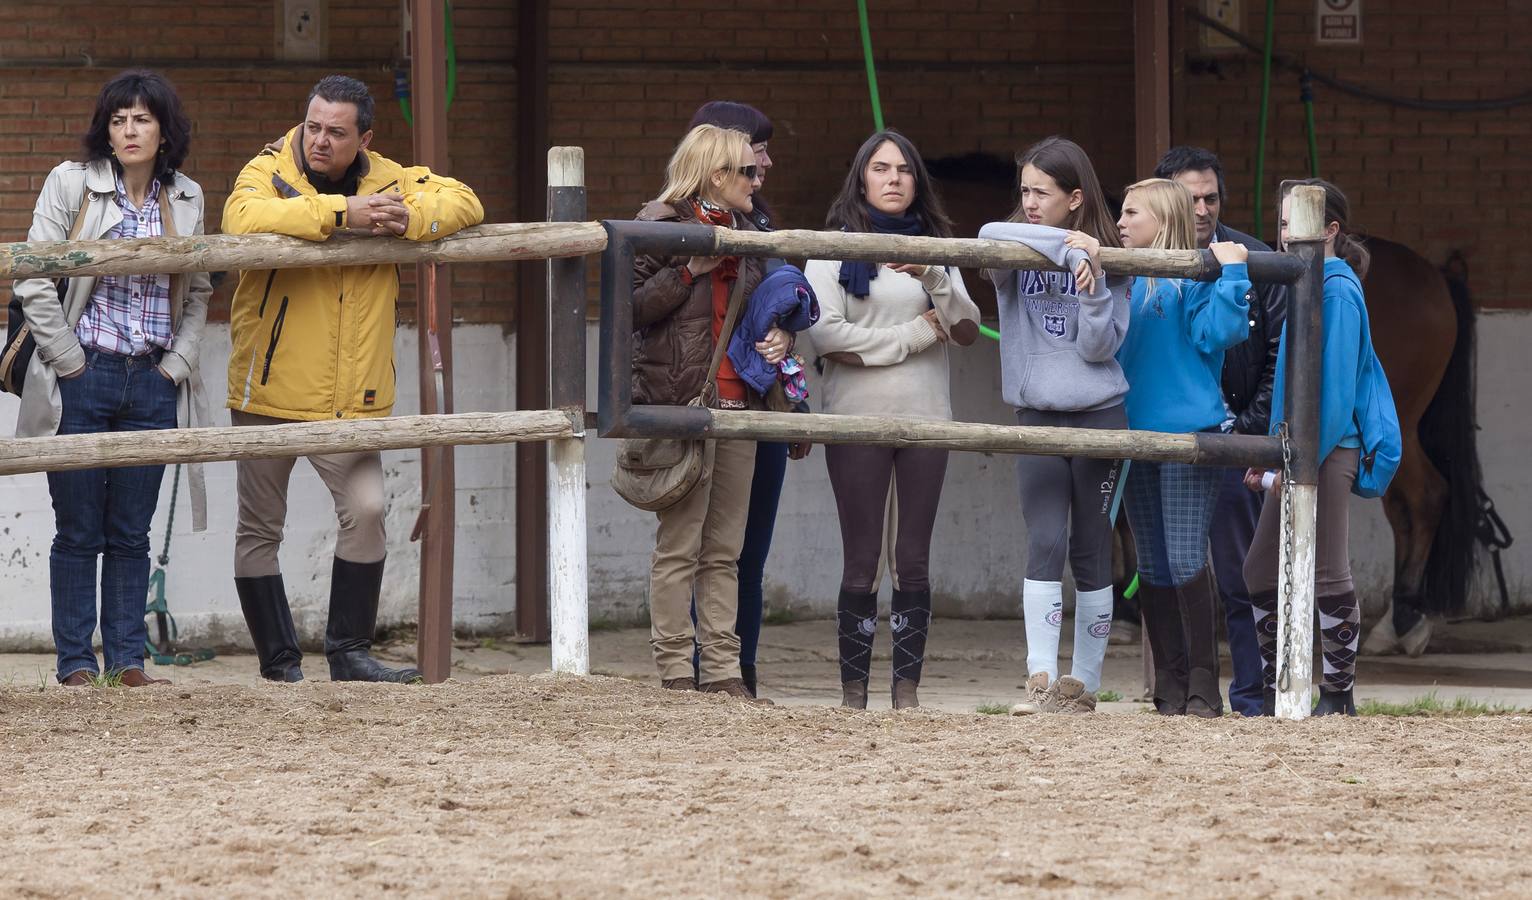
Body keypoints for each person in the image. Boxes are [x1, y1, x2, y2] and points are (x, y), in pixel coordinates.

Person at [223, 75, 483, 683]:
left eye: (335, 132)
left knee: (367, 511)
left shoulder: (392, 179)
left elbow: (466, 200)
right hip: (266, 391)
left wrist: (405, 219)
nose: (319, 140)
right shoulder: (266, 169)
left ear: (364, 137)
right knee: (260, 528)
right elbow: (240, 219)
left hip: (354, 399)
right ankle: (280, 664)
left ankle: (349, 653)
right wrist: (345, 212)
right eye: (312, 126)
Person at [13, 70, 212, 688]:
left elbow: (200, 288)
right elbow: (31, 275)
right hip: (84, 374)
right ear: (107, 127)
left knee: (130, 531)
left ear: (163, 130)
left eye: (143, 118)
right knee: (78, 528)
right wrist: (69, 360)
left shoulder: (186, 197)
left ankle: (128, 661)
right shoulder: (71, 183)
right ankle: (76, 663)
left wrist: (175, 365)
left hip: (151, 379)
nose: (130, 130)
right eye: (119, 118)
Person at [805, 130, 980, 710]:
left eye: (904, 170)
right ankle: (853, 693)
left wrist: (935, 280)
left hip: (928, 418)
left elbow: (966, 330)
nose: (894, 179)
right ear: (861, 178)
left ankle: (907, 692)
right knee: (861, 559)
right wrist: (912, 334)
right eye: (881, 169)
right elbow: (827, 337)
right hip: (855, 419)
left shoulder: (938, 248)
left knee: (913, 558)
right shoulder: (831, 249)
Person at [976, 136, 1129, 716]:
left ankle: (1082, 685)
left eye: (1042, 193)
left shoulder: (1111, 260)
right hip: (1036, 412)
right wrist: (1069, 252)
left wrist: (1091, 285)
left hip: (1101, 415)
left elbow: (1097, 348)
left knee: (1092, 548)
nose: (1031, 203)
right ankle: (1038, 675)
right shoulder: (1013, 242)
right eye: (1025, 191)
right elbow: (988, 235)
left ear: (1075, 196)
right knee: (1044, 540)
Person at [1244, 179, 1400, 716]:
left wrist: (1296, 460)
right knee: (1261, 571)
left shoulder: (1334, 287)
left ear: (1330, 230)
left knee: (1328, 571)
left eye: (1299, 223)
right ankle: (1280, 686)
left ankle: (1337, 694)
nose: (1286, 234)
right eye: (1283, 222)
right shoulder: (1306, 281)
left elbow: (1332, 392)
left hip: (1327, 448)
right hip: (1301, 447)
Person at [631, 123, 770, 702]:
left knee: (725, 550)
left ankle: (721, 670)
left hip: (739, 399)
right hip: (682, 402)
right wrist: (689, 270)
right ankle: (673, 669)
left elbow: (762, 308)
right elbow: (631, 307)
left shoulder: (750, 232)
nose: (758, 179)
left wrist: (780, 335)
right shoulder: (660, 225)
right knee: (679, 545)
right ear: (717, 175)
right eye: (747, 171)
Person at [1154, 145, 1287, 717]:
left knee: (1239, 575)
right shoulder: (1138, 260)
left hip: (1234, 440)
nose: (1203, 208)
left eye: (1211, 197)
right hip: (1165, 435)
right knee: (1164, 567)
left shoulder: (1255, 260)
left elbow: (1282, 353)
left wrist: (1249, 430)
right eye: (1191, 198)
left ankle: (1253, 698)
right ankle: (1180, 691)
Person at [1114, 178, 1251, 717]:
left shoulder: (1190, 276)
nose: (1120, 223)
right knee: (1150, 560)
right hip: (1135, 432)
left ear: (1161, 219)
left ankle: (1203, 683)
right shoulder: (1119, 278)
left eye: (1130, 213)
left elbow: (1221, 333)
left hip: (1188, 433)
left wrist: (1234, 270)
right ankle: (1169, 683)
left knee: (1187, 554)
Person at [685, 101, 805, 699]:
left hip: (762, 397)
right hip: (705, 396)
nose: (766, 166)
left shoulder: (764, 227)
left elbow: (783, 300)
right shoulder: (669, 222)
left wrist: (787, 333)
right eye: (757, 153)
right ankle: (693, 666)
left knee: (747, 547)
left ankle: (740, 671)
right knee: (695, 544)